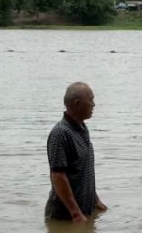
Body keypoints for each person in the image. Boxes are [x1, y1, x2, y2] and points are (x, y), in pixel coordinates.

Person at [45, 82, 107, 222]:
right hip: (64, 217)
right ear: (77, 103)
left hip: (83, 213)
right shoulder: (60, 133)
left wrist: (95, 201)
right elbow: (58, 176)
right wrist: (75, 213)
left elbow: (83, 172)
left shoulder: (82, 129)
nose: (94, 104)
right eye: (90, 100)